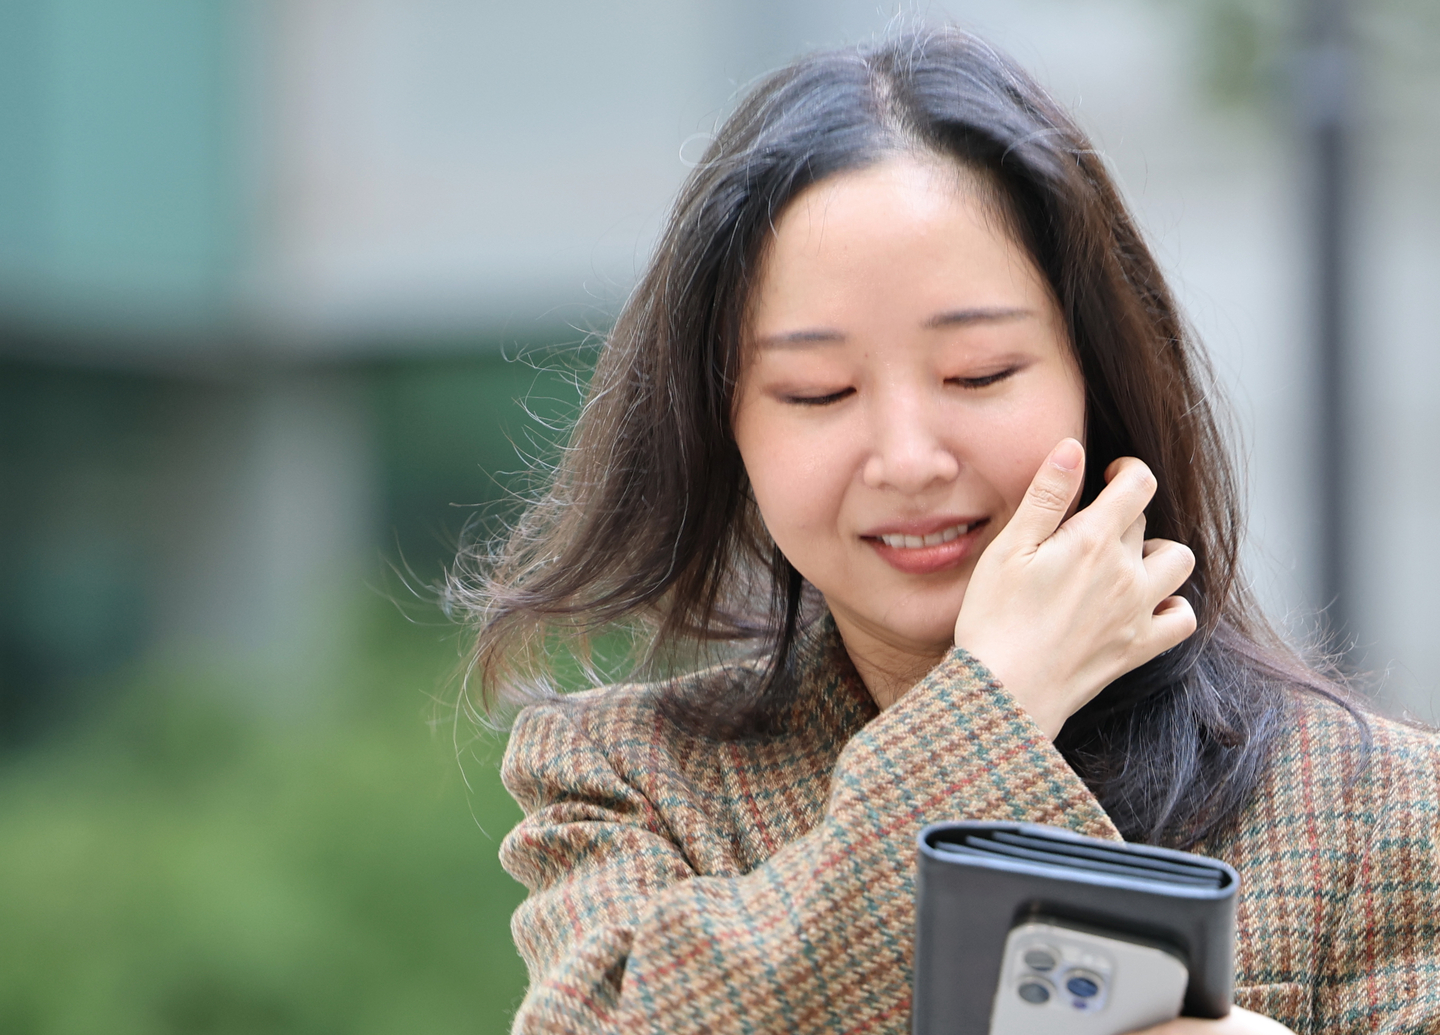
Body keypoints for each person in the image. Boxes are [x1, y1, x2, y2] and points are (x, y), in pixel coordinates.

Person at [453, 27, 1440, 1035]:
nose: (909, 457)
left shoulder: (1373, 808)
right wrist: (993, 706)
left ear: (1097, 377)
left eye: (977, 374)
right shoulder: (628, 781)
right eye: (818, 391)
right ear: (726, 427)